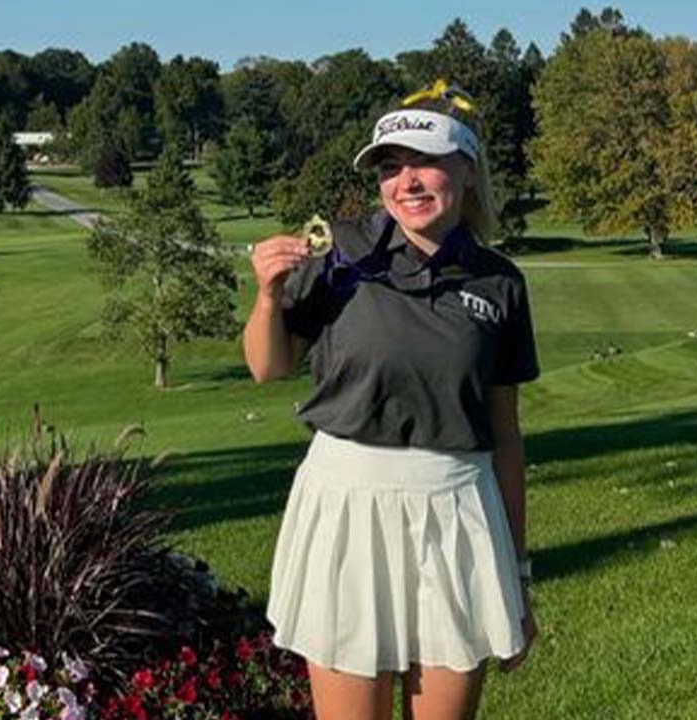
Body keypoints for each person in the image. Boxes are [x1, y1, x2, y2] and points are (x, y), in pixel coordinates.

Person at [243, 79, 539, 720]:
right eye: (390, 167)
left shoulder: (499, 283)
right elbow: (269, 367)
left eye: (424, 163)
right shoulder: (340, 258)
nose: (407, 181)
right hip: (347, 504)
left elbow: (505, 434)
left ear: (466, 171)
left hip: (458, 508)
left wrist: (517, 573)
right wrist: (268, 298)